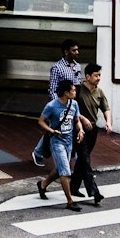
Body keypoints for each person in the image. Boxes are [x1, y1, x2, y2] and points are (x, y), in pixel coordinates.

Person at [36, 79, 85, 211]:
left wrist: (80, 130)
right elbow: (41, 121)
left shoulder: (74, 104)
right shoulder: (52, 106)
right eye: (73, 90)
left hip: (69, 141)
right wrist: (52, 131)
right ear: (66, 92)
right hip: (56, 141)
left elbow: (76, 120)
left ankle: (43, 185)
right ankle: (70, 201)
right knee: (65, 171)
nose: (75, 92)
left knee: (59, 169)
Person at [70, 63, 112, 206]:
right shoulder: (78, 90)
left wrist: (108, 122)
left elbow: (106, 108)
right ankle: (94, 192)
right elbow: (71, 108)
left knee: (82, 160)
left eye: (99, 75)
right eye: (96, 75)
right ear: (87, 76)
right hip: (78, 129)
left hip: (92, 130)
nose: (98, 78)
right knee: (85, 160)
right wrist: (82, 118)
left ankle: (73, 187)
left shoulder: (99, 92)